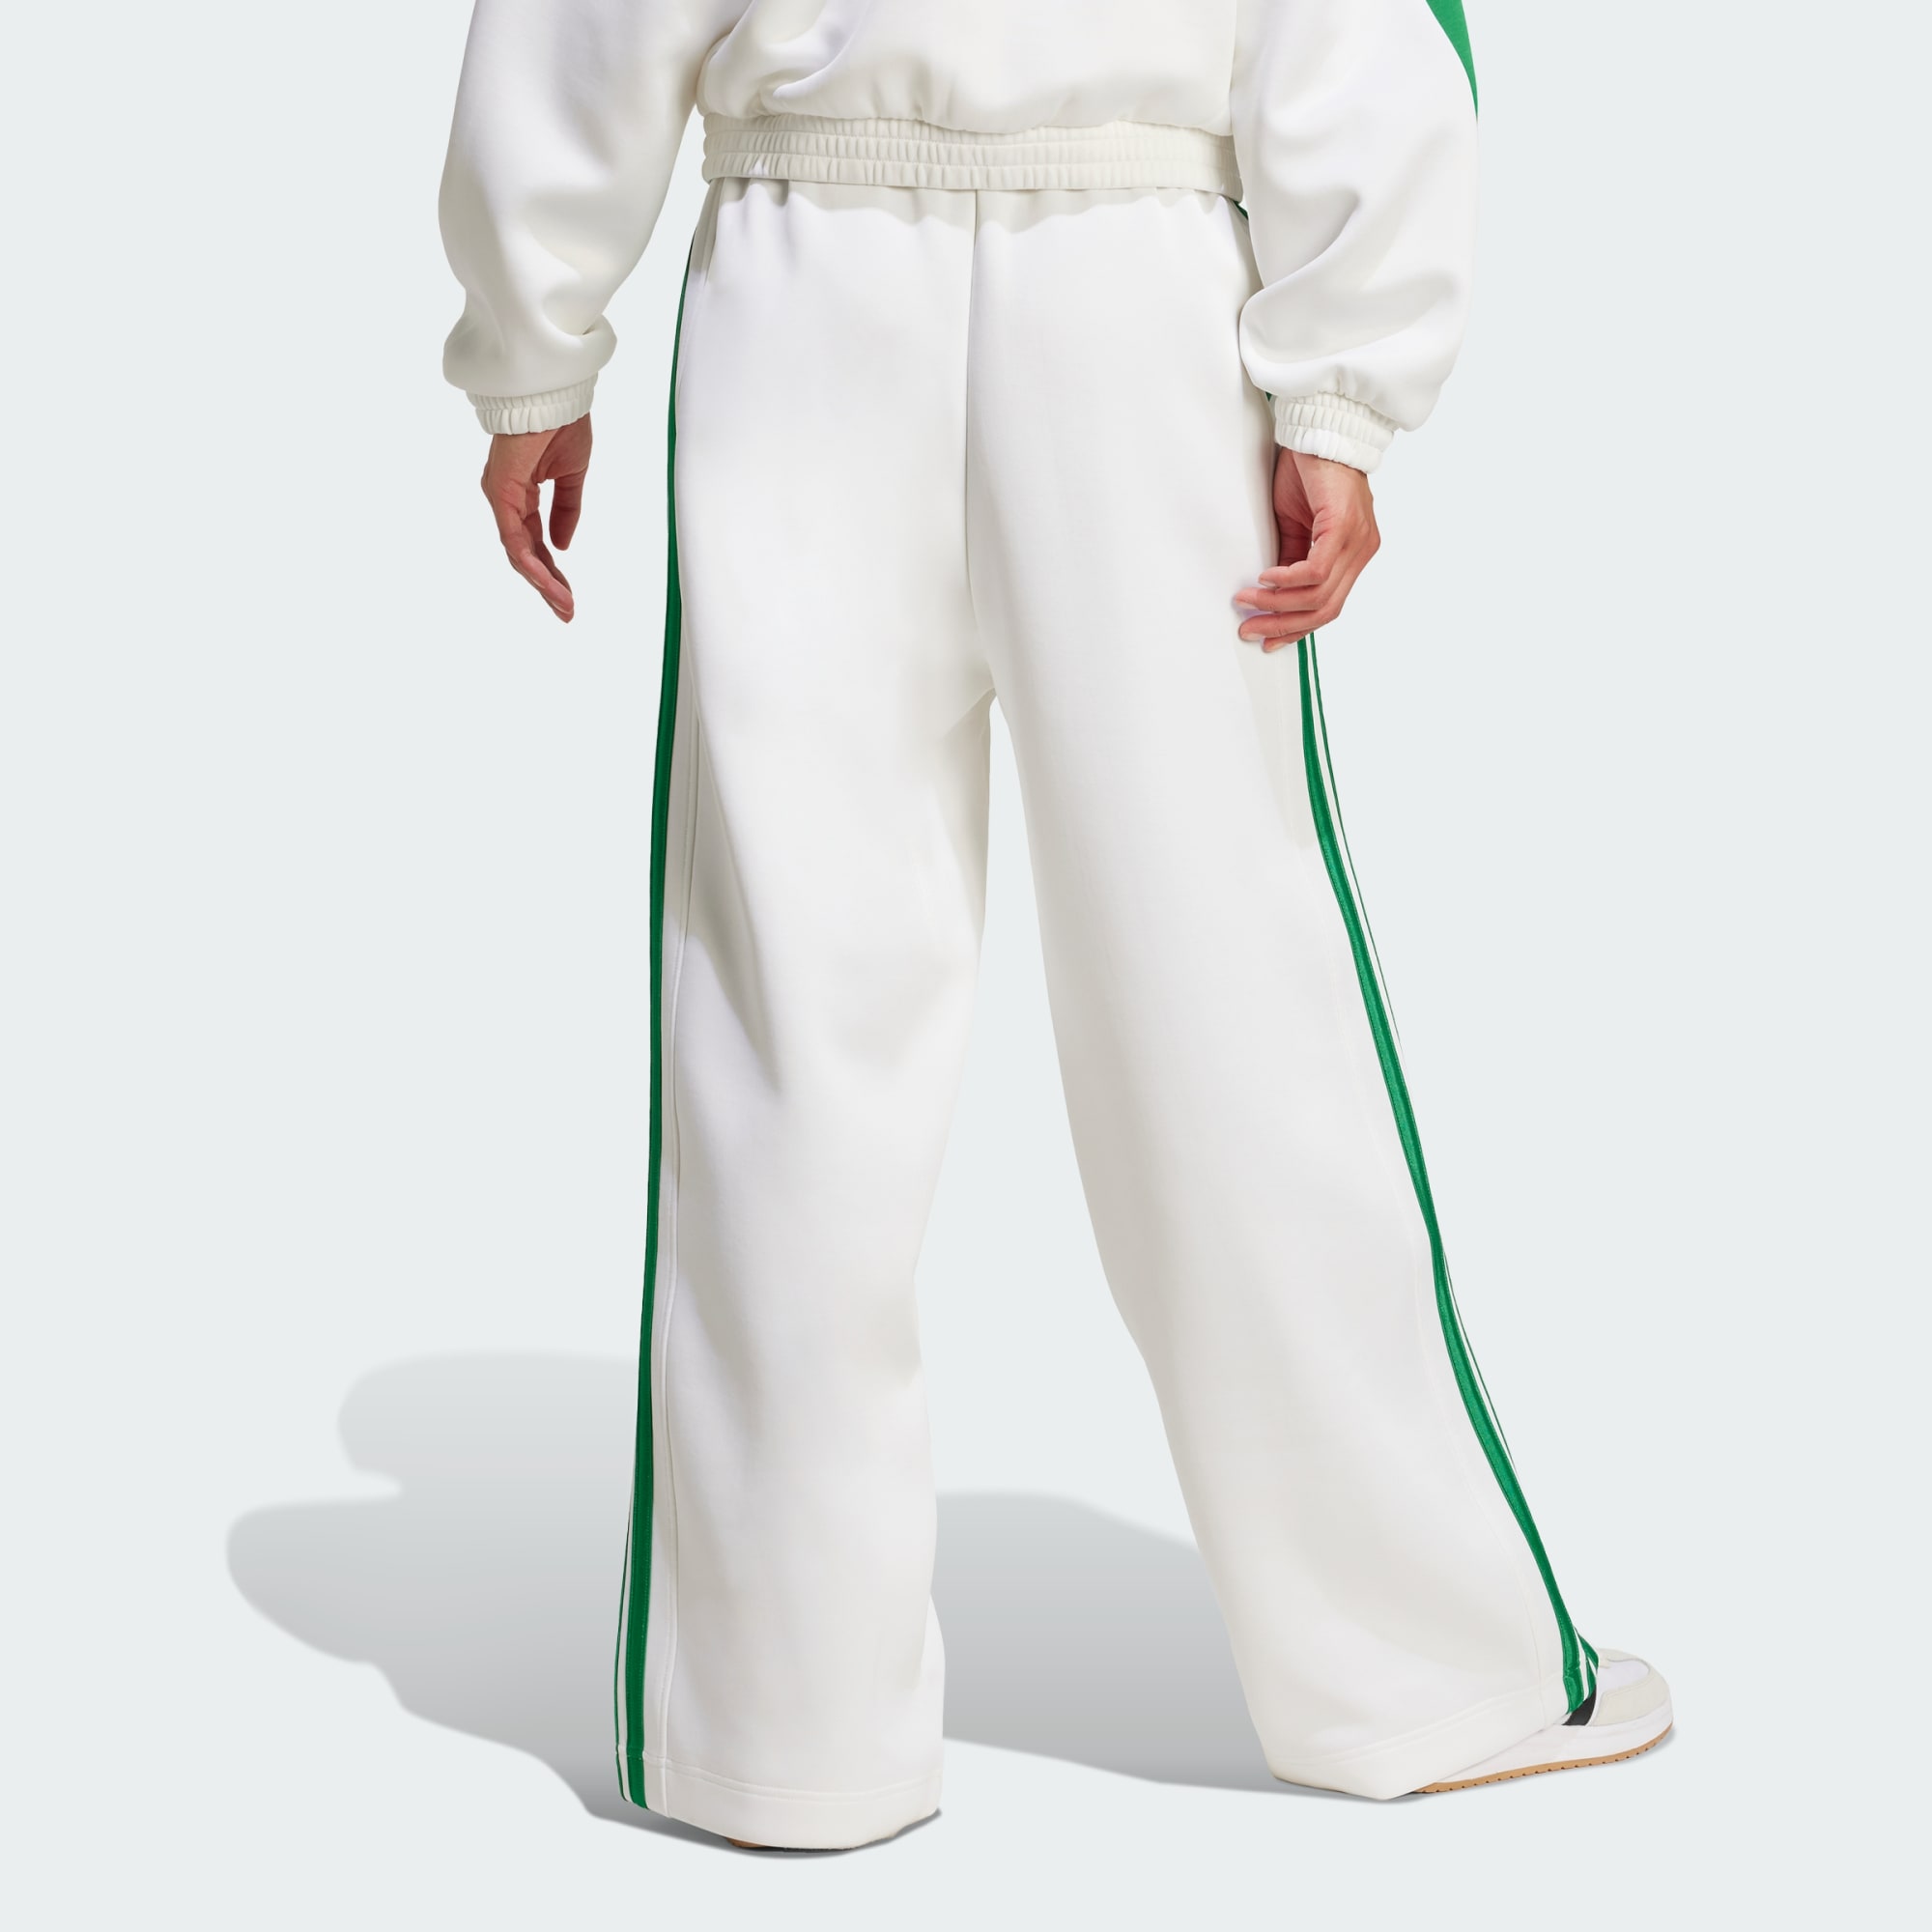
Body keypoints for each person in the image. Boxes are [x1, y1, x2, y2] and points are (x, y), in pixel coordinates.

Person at [439, 0, 1670, 1850]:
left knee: (791, 1011)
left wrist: (534, 342)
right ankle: (1421, 1674)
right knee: (1227, 990)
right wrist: (1342, 383)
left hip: (806, 278)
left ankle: (779, 1732)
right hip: (1135, 287)